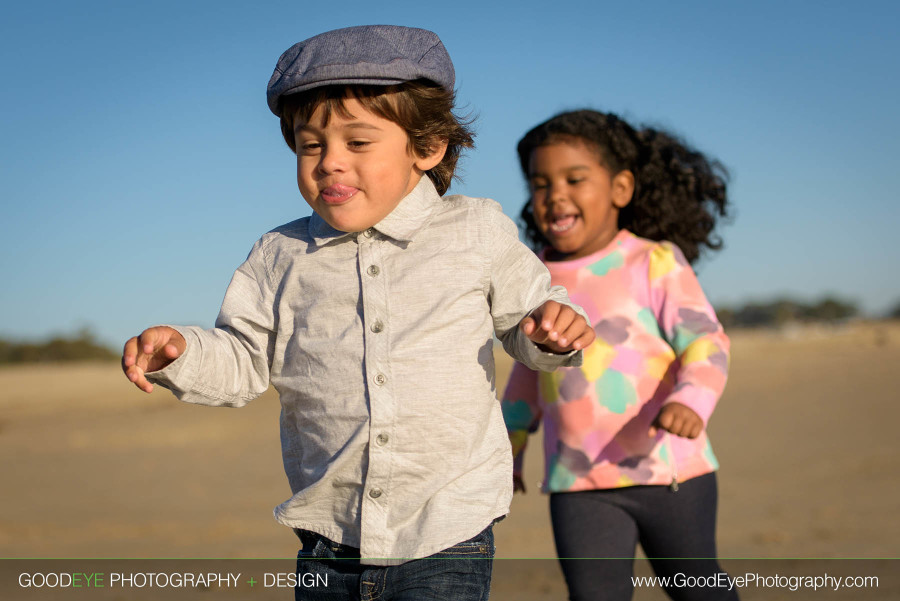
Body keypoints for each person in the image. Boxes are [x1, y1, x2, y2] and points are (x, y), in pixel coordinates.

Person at [120, 26, 594, 601]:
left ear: (427, 146)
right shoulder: (279, 255)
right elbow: (245, 359)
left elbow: (526, 320)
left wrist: (552, 328)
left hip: (448, 528)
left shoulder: (475, 230)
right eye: (310, 144)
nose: (329, 164)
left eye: (358, 143)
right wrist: (185, 353)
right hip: (329, 534)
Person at [502, 109, 737, 601]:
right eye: (540, 183)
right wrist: (510, 443)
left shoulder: (653, 261)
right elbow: (528, 369)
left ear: (621, 188)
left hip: (669, 471)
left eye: (574, 178)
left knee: (701, 592)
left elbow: (706, 341)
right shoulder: (535, 280)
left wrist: (692, 401)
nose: (554, 195)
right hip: (576, 480)